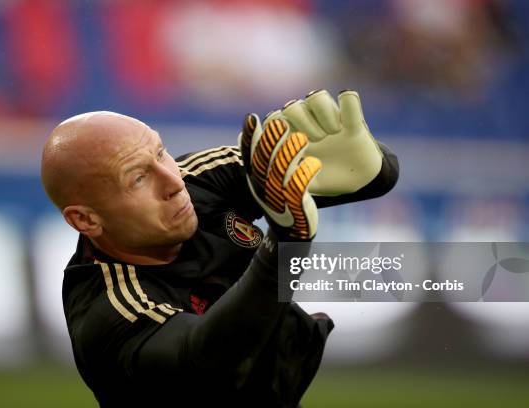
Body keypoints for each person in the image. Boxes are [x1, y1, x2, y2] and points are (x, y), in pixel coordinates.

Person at [40, 89, 398, 407]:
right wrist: (285, 244)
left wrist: (373, 166)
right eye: (137, 178)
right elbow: (213, 359)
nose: (173, 181)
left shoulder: (199, 180)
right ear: (86, 220)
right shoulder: (109, 312)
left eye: (161, 153)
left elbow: (366, 178)